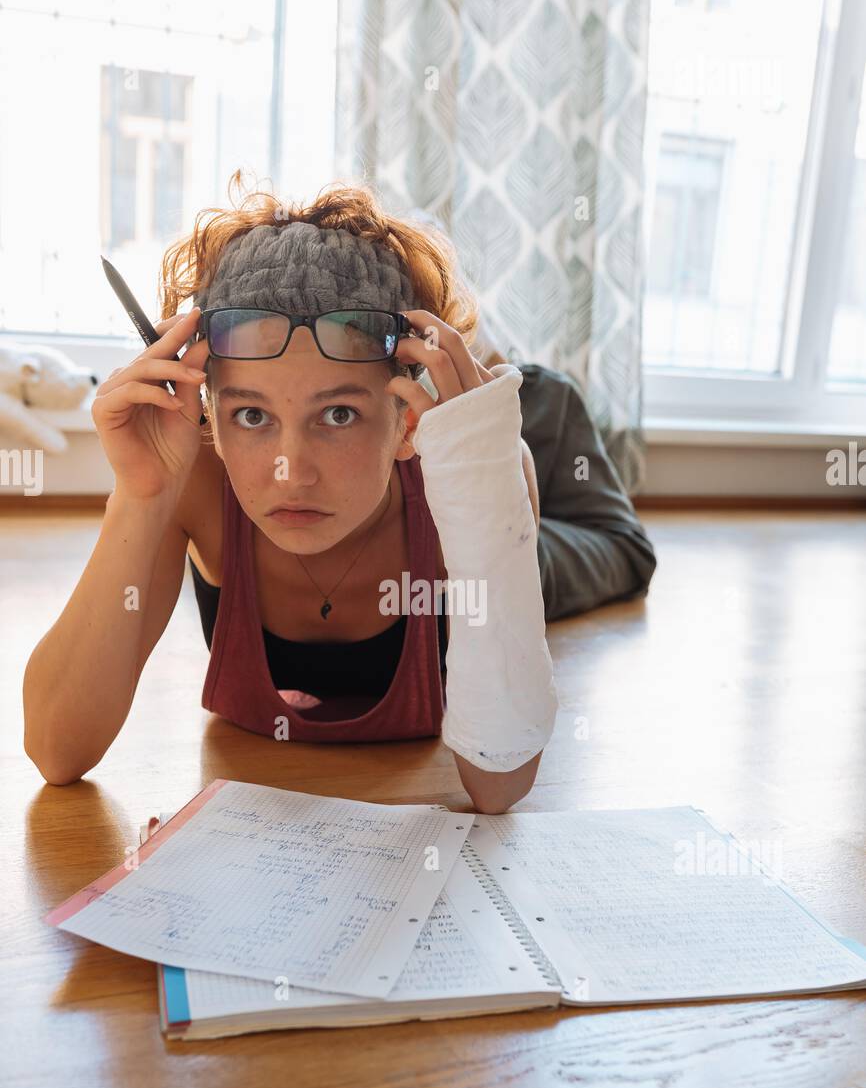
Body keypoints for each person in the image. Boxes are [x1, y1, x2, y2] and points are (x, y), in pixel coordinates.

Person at [23, 175, 655, 811]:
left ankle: (546, 394)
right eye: (251, 415)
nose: (290, 473)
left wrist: (487, 482)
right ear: (211, 412)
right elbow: (56, 749)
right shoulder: (193, 478)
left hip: (492, 462)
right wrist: (138, 495)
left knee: (621, 553)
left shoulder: (476, 469)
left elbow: (499, 786)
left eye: (339, 415)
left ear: (406, 419)